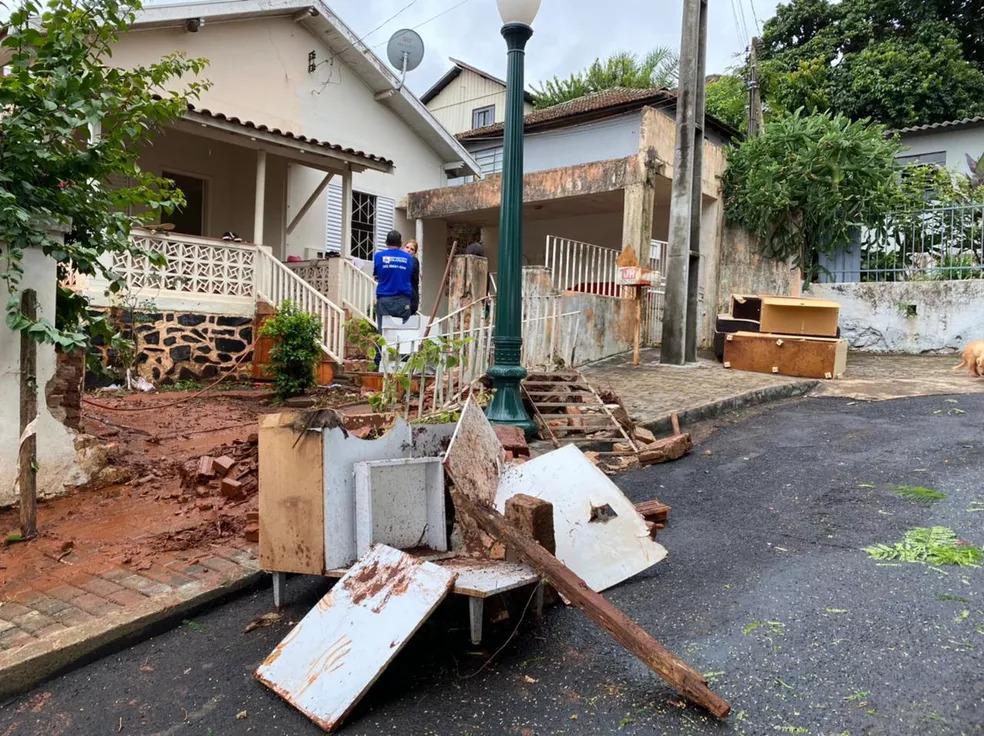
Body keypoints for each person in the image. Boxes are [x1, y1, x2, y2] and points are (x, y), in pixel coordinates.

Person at [373, 230, 416, 335]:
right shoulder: (409, 258)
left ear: (386, 242)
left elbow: (376, 275)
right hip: (403, 301)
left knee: (383, 332)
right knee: (403, 333)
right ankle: (402, 352)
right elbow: (410, 276)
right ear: (400, 243)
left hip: (385, 300)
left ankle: (382, 351)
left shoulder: (379, 256)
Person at [402, 239, 421, 315]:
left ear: (414, 253)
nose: (409, 250)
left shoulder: (413, 261)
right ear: (403, 248)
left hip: (410, 300)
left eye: (412, 249)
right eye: (407, 247)